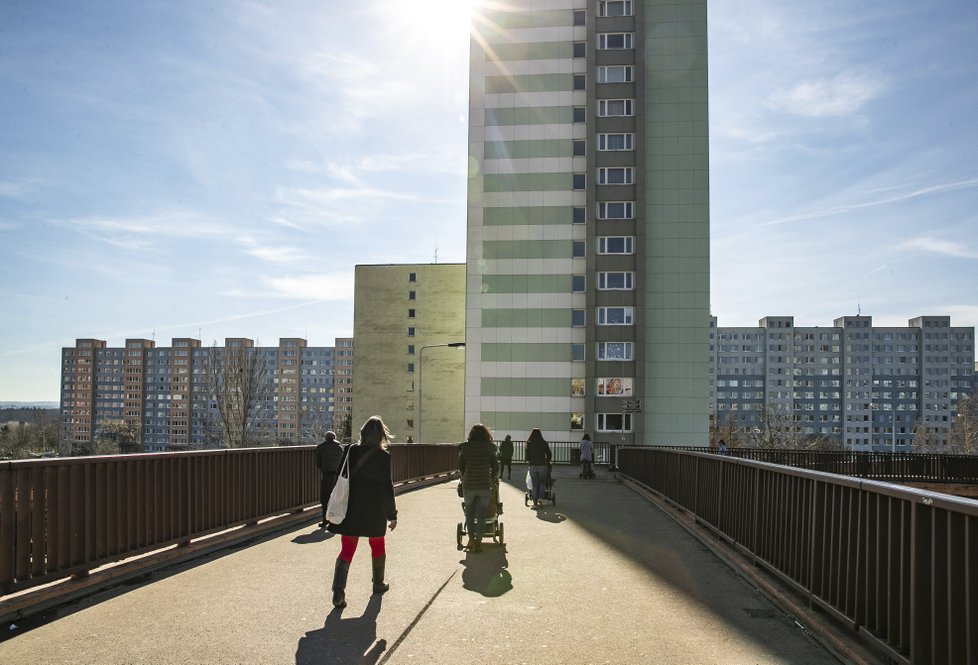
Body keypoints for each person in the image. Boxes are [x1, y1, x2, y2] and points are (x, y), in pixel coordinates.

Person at [327, 416, 398, 609]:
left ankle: (338, 593)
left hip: (350, 508)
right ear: (381, 436)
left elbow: (339, 477)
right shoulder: (383, 457)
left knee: (347, 550)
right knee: (377, 545)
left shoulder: (350, 451)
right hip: (374, 511)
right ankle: (378, 584)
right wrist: (392, 514)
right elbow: (386, 487)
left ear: (363, 434)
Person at [458, 423, 499, 552]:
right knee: (481, 515)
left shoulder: (465, 448)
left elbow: (461, 466)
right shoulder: (489, 448)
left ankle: (470, 539)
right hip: (484, 485)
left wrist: (465, 476)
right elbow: (495, 467)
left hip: (469, 485)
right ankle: (478, 542)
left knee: (469, 514)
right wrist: (491, 479)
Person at [315, 431, 344, 528]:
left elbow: (318, 463)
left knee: (325, 498)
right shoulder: (340, 447)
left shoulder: (320, 447)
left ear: (325, 438)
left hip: (327, 475)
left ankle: (325, 520)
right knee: (336, 498)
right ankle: (335, 520)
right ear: (334, 438)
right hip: (337, 476)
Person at [525, 428, 552, 507]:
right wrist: (547, 461)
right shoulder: (544, 443)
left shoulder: (529, 443)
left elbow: (527, 456)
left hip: (533, 465)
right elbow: (549, 454)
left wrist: (529, 460)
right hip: (543, 465)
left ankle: (535, 503)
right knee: (542, 483)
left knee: (535, 484)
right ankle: (541, 498)